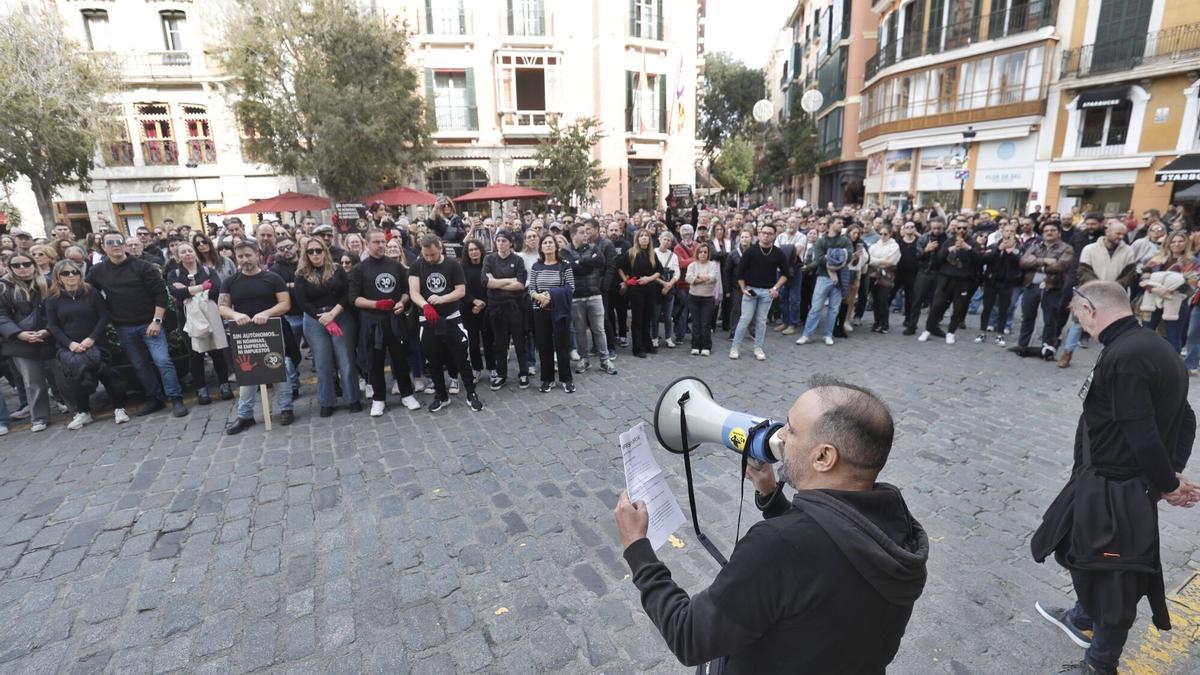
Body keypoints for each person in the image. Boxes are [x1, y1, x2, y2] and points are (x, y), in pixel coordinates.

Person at [614, 376, 928, 672]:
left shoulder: (777, 546)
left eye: (791, 429)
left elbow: (688, 636)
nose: (780, 436)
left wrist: (638, 547)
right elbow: (828, 555)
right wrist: (771, 496)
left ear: (823, 457)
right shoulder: (898, 528)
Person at [1032, 281, 1199, 675]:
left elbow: (1143, 432)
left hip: (1117, 486)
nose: (1079, 323)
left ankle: (1099, 664)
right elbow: (1186, 417)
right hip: (1096, 479)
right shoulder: (1153, 346)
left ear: (1090, 309)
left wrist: (1168, 483)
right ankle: (1083, 616)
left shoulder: (1127, 356)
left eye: (1078, 315)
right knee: (1067, 541)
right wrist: (1170, 472)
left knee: (1114, 579)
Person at [86, 233, 189, 418]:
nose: (115, 245)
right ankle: (156, 398)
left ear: (125, 245)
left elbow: (161, 294)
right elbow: (88, 291)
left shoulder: (143, 266)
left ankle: (175, 398)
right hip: (123, 327)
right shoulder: (98, 271)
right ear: (103, 247)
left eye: (119, 242)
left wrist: (157, 321)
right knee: (140, 365)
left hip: (150, 323)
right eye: (110, 242)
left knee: (162, 361)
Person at [219, 242, 297, 434]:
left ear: (257, 255)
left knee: (279, 367)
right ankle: (245, 415)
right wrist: (235, 315)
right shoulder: (230, 281)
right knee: (246, 372)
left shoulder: (273, 278)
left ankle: (286, 408)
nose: (244, 260)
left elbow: (285, 303)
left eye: (248, 255)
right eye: (240, 256)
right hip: (245, 334)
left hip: (272, 330)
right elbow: (222, 307)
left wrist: (267, 313)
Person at [44, 259, 130, 430]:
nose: (71, 276)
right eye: (66, 273)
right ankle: (83, 412)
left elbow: (103, 316)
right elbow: (53, 326)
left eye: (74, 272)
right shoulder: (53, 299)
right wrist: (70, 344)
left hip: (96, 343)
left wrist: (92, 338)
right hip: (70, 347)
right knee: (76, 377)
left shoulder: (91, 293)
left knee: (107, 374)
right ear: (58, 277)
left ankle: (119, 408)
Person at [408, 235, 483, 411]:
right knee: (433, 360)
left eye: (432, 254)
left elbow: (460, 291)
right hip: (428, 320)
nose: (429, 258)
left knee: (462, 358)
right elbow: (414, 291)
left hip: (451, 318)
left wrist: (442, 299)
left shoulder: (453, 265)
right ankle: (441, 395)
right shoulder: (417, 265)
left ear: (440, 248)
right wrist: (425, 306)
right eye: (426, 255)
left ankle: (471, 393)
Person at [350, 230, 421, 416]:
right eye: (376, 242)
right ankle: (378, 399)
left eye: (383, 241)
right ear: (367, 244)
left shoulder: (395, 266)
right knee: (375, 362)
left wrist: (402, 302)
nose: (381, 245)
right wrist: (376, 304)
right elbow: (354, 298)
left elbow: (406, 291)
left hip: (395, 320)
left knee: (400, 359)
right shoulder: (359, 269)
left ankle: (407, 394)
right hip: (372, 322)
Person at [295, 236, 362, 417]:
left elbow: (347, 294)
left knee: (346, 360)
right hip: (314, 320)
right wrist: (323, 317)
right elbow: (302, 302)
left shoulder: (337, 269)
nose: (315, 254)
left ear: (325, 251)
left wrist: (333, 314)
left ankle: (352, 398)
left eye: (318, 250)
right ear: (306, 254)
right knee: (322, 362)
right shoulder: (301, 274)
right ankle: (326, 401)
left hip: (340, 315)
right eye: (311, 251)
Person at [1057, 222, 1137, 368]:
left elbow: (1130, 273)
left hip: (1115, 294)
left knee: (1113, 326)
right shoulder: (1090, 249)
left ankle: (1110, 360)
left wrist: (1113, 287)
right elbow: (1083, 270)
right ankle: (1067, 353)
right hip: (1090, 292)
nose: (1121, 237)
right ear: (1107, 232)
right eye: (1117, 233)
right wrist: (1099, 287)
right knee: (1078, 324)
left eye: (1123, 234)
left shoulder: (1128, 251)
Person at [167, 243, 233, 404]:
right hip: (188, 320)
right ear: (178, 256)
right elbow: (176, 293)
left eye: (190, 250)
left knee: (217, 352)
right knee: (195, 355)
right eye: (183, 252)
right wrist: (202, 287)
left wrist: (188, 290)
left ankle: (224, 385)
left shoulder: (208, 271)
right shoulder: (174, 274)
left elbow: (216, 290)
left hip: (211, 316)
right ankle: (201, 389)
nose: (187, 254)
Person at [0, 252, 56, 432]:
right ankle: (39, 417)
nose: (22, 268)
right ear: (10, 268)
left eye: (26, 263)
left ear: (33, 264)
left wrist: (48, 330)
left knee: (61, 378)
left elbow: (57, 309)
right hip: (19, 342)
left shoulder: (47, 283)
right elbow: (1, 316)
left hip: (49, 337)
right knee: (33, 382)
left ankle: (76, 408)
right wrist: (19, 334)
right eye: (16, 265)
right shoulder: (3, 288)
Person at [1013, 222, 1075, 359]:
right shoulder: (1035, 246)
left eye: (1053, 230)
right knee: (1027, 317)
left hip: (1052, 287)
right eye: (1046, 230)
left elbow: (1060, 266)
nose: (1049, 232)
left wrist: (1035, 262)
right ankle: (1022, 345)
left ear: (1059, 233)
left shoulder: (1066, 248)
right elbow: (1023, 262)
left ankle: (1047, 348)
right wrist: (1045, 261)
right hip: (1032, 286)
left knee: (1050, 319)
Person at [729, 222, 788, 360]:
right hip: (751, 290)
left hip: (767, 291)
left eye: (769, 233)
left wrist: (776, 288)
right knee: (745, 319)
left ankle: (758, 347)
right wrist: (743, 288)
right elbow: (740, 273)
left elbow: (786, 274)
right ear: (759, 234)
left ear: (774, 236)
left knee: (761, 321)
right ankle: (735, 347)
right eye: (764, 233)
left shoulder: (778, 253)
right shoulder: (751, 251)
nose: (766, 236)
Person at [527, 234, 577, 393]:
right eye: (545, 243)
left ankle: (566, 379)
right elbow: (531, 288)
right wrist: (538, 296)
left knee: (562, 345)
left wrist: (550, 295)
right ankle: (547, 379)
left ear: (556, 246)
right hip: (540, 310)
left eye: (551, 242)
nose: (548, 245)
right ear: (541, 247)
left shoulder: (564, 265)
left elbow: (571, 287)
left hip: (559, 310)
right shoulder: (536, 266)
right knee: (544, 345)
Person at [482, 231, 530, 390]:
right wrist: (510, 280)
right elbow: (486, 282)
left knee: (519, 342)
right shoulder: (489, 259)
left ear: (510, 243)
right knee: (500, 344)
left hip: (515, 307)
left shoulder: (518, 260)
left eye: (504, 241)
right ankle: (501, 375)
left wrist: (497, 282)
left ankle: (524, 373)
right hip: (496, 308)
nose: (501, 243)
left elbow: (520, 284)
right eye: (498, 241)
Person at [919, 219, 980, 345]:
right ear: (955, 229)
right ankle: (928, 329)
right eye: (959, 228)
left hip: (963, 281)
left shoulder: (973, 243)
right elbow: (938, 260)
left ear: (968, 229)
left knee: (958, 308)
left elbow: (980, 260)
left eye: (964, 228)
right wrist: (948, 250)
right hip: (945, 279)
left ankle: (951, 332)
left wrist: (968, 248)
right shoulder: (948, 241)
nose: (961, 230)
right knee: (936, 305)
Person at [568, 223, 617, 375]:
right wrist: (589, 262)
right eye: (582, 232)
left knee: (599, 329)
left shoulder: (594, 247)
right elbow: (572, 268)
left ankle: (605, 359)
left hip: (594, 294)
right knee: (580, 331)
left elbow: (601, 262)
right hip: (576, 297)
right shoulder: (565, 251)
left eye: (586, 232)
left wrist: (581, 261)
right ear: (573, 235)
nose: (586, 235)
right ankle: (584, 359)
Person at [798, 218, 852, 347]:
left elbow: (849, 256)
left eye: (842, 223)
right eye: (839, 223)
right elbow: (820, 260)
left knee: (833, 310)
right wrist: (839, 255)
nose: (842, 225)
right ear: (831, 225)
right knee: (815, 308)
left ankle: (828, 334)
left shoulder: (845, 240)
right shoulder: (821, 241)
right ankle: (806, 335)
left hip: (839, 278)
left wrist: (831, 255)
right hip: (823, 277)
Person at [975, 223, 1024, 346]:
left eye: (1012, 231)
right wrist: (999, 249)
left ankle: (1000, 334)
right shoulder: (994, 246)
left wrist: (1011, 253)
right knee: (987, 308)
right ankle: (982, 332)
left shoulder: (1019, 248)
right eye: (1007, 231)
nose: (1009, 233)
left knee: (1004, 309)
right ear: (1002, 232)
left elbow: (1021, 264)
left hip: (1008, 283)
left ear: (1015, 233)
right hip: (991, 281)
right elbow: (984, 260)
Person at [618, 230, 663, 359]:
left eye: (646, 236)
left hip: (650, 288)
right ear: (637, 239)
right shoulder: (631, 252)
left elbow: (659, 271)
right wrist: (626, 281)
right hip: (636, 289)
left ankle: (647, 344)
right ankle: (638, 348)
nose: (644, 238)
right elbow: (619, 267)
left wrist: (649, 279)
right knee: (637, 319)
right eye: (641, 236)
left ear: (649, 239)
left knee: (647, 317)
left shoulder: (652, 253)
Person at [903, 218, 947, 335]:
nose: (936, 230)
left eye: (939, 228)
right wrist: (926, 250)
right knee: (917, 300)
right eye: (934, 228)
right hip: (924, 272)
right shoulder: (924, 238)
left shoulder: (947, 239)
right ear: (930, 227)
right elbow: (917, 256)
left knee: (936, 303)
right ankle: (912, 325)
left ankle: (933, 327)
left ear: (943, 227)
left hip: (940, 274)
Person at [460, 240, 496, 380]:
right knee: (473, 342)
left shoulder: (488, 266)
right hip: (469, 309)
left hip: (487, 308)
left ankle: (492, 368)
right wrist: (473, 303)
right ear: (467, 252)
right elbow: (460, 289)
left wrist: (482, 304)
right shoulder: (462, 267)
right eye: (471, 250)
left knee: (488, 341)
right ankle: (476, 368)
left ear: (481, 250)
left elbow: (492, 287)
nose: (474, 252)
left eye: (476, 249)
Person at [684, 242, 719, 355]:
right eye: (700, 252)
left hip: (708, 298)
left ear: (708, 254)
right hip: (693, 297)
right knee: (695, 323)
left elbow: (713, 278)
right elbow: (688, 279)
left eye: (705, 252)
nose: (703, 254)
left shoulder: (712, 264)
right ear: (697, 253)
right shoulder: (692, 265)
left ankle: (706, 347)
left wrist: (697, 277)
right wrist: (703, 278)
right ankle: (695, 346)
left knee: (705, 323)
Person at [867, 225, 900, 333]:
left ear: (890, 234)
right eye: (880, 233)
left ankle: (884, 323)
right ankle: (877, 322)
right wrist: (881, 261)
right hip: (874, 275)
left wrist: (876, 261)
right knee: (875, 300)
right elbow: (869, 259)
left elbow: (891, 261)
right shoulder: (875, 245)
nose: (882, 236)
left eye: (885, 234)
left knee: (883, 300)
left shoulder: (894, 246)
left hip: (887, 276)